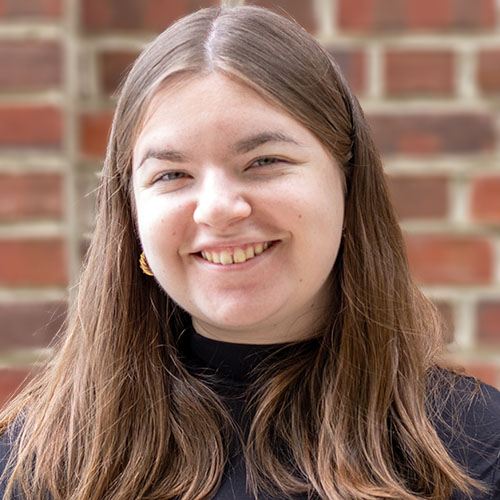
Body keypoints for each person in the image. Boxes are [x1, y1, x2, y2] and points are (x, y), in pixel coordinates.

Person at [1, 5, 499, 500]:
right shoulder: (35, 463)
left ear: (348, 187)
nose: (217, 209)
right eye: (172, 174)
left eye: (264, 161)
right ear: (131, 218)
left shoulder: (480, 453)